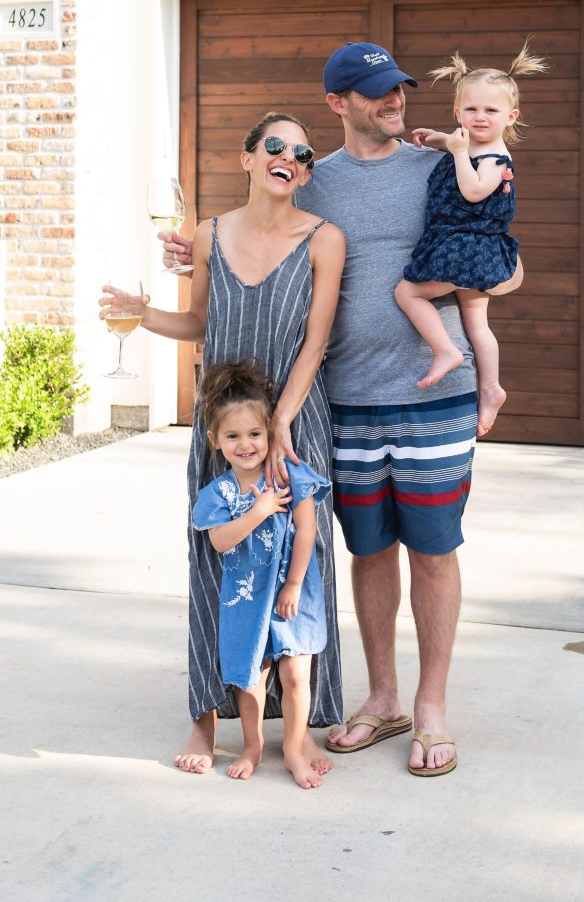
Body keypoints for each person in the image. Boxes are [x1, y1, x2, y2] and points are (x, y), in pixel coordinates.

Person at [164, 43, 478, 777]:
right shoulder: (316, 184)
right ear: (339, 103)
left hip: (431, 394)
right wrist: (193, 258)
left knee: (433, 549)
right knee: (368, 552)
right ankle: (383, 700)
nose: (396, 101)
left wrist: (495, 274)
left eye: (399, 88)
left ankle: (430, 708)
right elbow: (254, 246)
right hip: (349, 402)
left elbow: (501, 247)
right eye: (378, 93)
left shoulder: (439, 168)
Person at [102, 112, 346, 777]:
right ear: (247, 159)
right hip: (224, 429)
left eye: (303, 152)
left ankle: (297, 726)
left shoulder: (326, 240)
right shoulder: (208, 233)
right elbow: (201, 321)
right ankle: (204, 719)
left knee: (302, 562)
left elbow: (316, 343)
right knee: (215, 564)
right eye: (276, 146)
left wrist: (284, 426)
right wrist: (138, 312)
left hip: (294, 429)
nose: (290, 157)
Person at [395, 43, 547, 435]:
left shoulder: (496, 158)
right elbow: (458, 143)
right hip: (465, 247)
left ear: (511, 116)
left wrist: (457, 152)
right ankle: (491, 388)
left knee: (408, 294)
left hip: (467, 248)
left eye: (491, 110)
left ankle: (445, 350)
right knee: (477, 323)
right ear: (458, 112)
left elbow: (474, 191)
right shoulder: (469, 142)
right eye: (471, 109)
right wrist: (437, 140)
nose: (480, 117)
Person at [193, 360, 332, 789]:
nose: (246, 444)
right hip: (245, 597)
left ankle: (293, 747)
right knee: (251, 678)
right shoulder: (220, 493)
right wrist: (257, 511)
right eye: (233, 436)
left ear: (270, 434)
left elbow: (307, 528)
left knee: (294, 674)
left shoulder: (289, 475)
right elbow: (219, 542)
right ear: (216, 441)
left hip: (292, 594)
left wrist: (292, 583)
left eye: (254, 434)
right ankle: (252, 744)